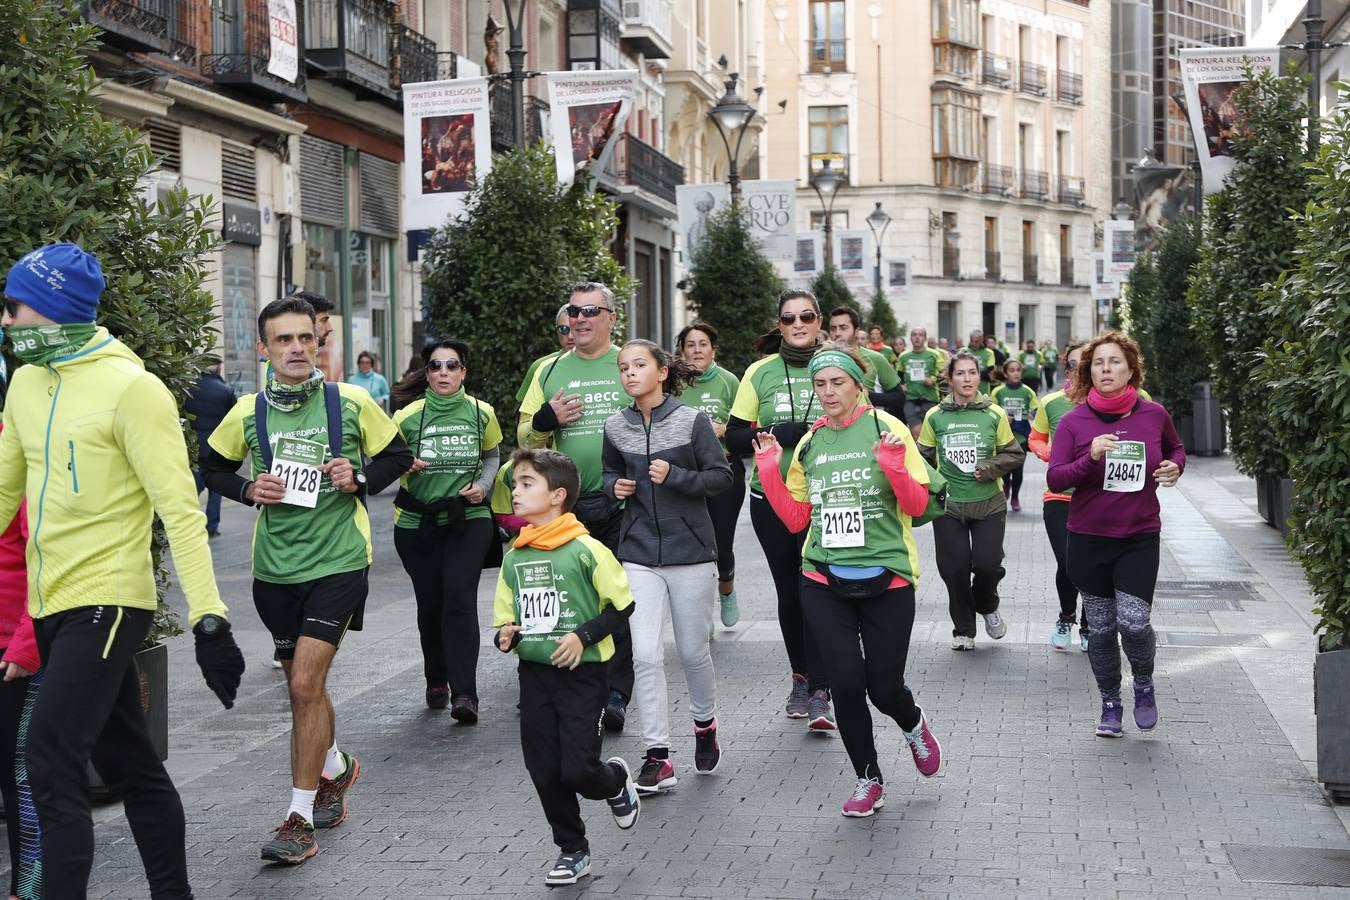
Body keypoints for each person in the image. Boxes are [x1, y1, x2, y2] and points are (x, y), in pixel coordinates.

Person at [0, 242, 245, 897]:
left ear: (51, 311)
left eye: (14, 307)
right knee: (129, 763)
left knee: (50, 760)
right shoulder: (26, 383)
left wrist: (210, 618)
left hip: (108, 602)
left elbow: (180, 510)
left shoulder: (133, 390)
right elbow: (3, 495)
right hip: (51, 606)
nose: (5, 321)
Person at [204, 296, 412, 863]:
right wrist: (248, 489)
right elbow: (213, 466)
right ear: (264, 349)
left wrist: (359, 475)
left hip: (340, 561)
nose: (297, 349)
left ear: (318, 342)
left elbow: (399, 454)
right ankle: (336, 766)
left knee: (301, 684)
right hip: (274, 571)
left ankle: (298, 819)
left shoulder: (348, 401)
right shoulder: (248, 412)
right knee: (308, 686)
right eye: (284, 341)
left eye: (305, 338)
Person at [752, 343, 943, 815]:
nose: (829, 391)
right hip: (822, 578)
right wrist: (768, 471)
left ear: (859, 384)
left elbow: (920, 507)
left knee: (883, 687)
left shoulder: (887, 427)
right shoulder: (812, 442)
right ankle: (868, 779)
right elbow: (797, 521)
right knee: (845, 681)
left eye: (838, 382)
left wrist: (895, 468)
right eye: (820, 384)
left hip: (888, 577)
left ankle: (913, 721)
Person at [492, 448, 641, 886]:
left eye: (525, 484)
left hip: (585, 675)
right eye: (514, 485)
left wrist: (582, 636)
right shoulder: (515, 556)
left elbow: (623, 606)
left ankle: (614, 781)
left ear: (557, 495)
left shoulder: (587, 549)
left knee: (577, 770)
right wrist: (506, 635)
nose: (515, 493)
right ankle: (572, 849)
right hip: (535, 676)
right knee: (543, 767)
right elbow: (506, 616)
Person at [603, 341, 732, 793]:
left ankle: (704, 724)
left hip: (691, 552)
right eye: (624, 367)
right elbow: (607, 471)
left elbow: (721, 477)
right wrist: (614, 485)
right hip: (638, 552)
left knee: (694, 652)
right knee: (643, 655)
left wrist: (675, 476)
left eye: (639, 365)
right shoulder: (615, 425)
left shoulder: (691, 420)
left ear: (661, 372)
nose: (630, 373)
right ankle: (658, 755)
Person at [1047, 332, 1184, 738]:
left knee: (1135, 623)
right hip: (1088, 537)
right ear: (1088, 372)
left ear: (1131, 370)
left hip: (1139, 535)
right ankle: (1110, 702)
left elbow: (1175, 449)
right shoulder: (1074, 422)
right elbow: (1056, 477)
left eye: (1114, 362)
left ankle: (1143, 682)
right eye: (1098, 364)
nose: (1106, 369)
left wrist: (1175, 467)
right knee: (1103, 628)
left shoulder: (1154, 414)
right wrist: (1089, 458)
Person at [518, 283, 634, 732]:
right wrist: (547, 419)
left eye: (590, 311)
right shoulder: (549, 370)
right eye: (574, 311)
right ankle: (573, 685)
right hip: (567, 506)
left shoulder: (628, 361)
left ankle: (617, 693)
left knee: (618, 595)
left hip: (625, 501)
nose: (581, 319)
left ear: (610, 317)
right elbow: (526, 439)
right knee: (572, 597)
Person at [725, 290, 835, 730]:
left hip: (826, 498)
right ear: (780, 324)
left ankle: (823, 690)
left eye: (806, 316)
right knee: (791, 592)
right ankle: (802, 678)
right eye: (789, 318)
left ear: (818, 319)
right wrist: (778, 431)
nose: (798, 323)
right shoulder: (760, 372)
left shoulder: (836, 366)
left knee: (819, 591)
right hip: (769, 499)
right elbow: (734, 437)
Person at [392, 339, 501, 720]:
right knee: (431, 605)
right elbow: (384, 458)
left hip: (468, 520)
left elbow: (492, 455)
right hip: (416, 522)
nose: (443, 373)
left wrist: (485, 486)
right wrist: (402, 465)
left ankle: (465, 694)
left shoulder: (481, 413)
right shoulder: (407, 417)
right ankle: (436, 678)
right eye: (436, 366)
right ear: (427, 373)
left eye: (451, 366)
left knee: (458, 597)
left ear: (463, 372)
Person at [919, 352, 1024, 650]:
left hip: (989, 502)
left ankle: (988, 605)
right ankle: (963, 629)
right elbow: (921, 459)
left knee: (987, 565)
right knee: (954, 569)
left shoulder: (994, 414)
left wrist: (989, 468)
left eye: (972, 373)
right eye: (960, 373)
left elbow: (1014, 453)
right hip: (949, 506)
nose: (967, 379)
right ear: (950, 378)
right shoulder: (935, 416)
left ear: (980, 376)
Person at [676, 321, 744, 627]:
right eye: (691, 345)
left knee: (720, 544)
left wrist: (724, 430)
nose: (697, 350)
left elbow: (747, 427)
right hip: (684, 477)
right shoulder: (672, 383)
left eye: (703, 344)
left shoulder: (729, 381)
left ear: (713, 349)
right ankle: (702, 618)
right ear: (682, 350)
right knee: (693, 548)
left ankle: (727, 589)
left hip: (724, 472)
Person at [1030, 342, 1089, 651]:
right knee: (1068, 562)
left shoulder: (1109, 403)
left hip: (1097, 498)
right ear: (1066, 369)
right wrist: (1047, 453)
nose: (1080, 370)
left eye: (1086, 363)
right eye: (1074, 365)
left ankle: (1089, 624)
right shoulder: (1052, 402)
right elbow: (1035, 437)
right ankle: (1066, 616)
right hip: (1059, 496)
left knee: (1092, 564)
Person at [0, 498, 41, 900]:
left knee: (20, 774)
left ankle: (28, 890)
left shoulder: (14, 444)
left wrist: (27, 643)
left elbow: (44, 556)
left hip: (12, 648)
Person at [185, 363, 237, 537]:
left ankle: (186, 523)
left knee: (193, 488)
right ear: (219, 369)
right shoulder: (225, 390)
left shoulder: (189, 388)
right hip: (217, 447)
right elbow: (233, 418)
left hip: (194, 447)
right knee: (216, 490)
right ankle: (211, 527)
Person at [827, 307, 905, 416]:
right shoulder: (822, 359)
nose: (837, 333)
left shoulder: (875, 358)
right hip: (831, 426)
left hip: (867, 425)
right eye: (833, 329)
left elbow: (899, 397)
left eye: (843, 328)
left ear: (856, 331)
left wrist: (867, 396)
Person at [990, 359, 1040, 513]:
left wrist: (1032, 413)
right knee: (1005, 469)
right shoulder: (998, 391)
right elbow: (991, 411)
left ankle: (1015, 497)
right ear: (1005, 373)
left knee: (1018, 470)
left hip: (1021, 437)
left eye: (1018, 370)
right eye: (1012, 370)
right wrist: (1002, 416)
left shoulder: (1027, 391)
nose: (1016, 373)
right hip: (1003, 437)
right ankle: (1006, 484)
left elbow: (1036, 408)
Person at [515, 304, 576, 407]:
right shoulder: (541, 366)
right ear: (557, 331)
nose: (570, 336)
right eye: (564, 329)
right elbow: (521, 415)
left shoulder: (611, 361)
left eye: (576, 328)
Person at [898, 325, 943, 439]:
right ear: (910, 338)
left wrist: (932, 380)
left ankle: (930, 456)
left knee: (931, 435)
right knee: (916, 433)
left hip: (930, 398)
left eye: (920, 335)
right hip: (911, 399)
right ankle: (919, 456)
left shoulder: (934, 354)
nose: (917, 337)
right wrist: (901, 385)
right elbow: (899, 375)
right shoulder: (904, 356)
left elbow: (945, 374)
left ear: (925, 338)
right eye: (914, 335)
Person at [961, 329, 997, 393]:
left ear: (981, 340)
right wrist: (982, 374)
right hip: (965, 390)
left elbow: (989, 374)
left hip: (983, 390)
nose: (973, 343)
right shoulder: (963, 351)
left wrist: (970, 373)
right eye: (972, 341)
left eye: (976, 341)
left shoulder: (989, 353)